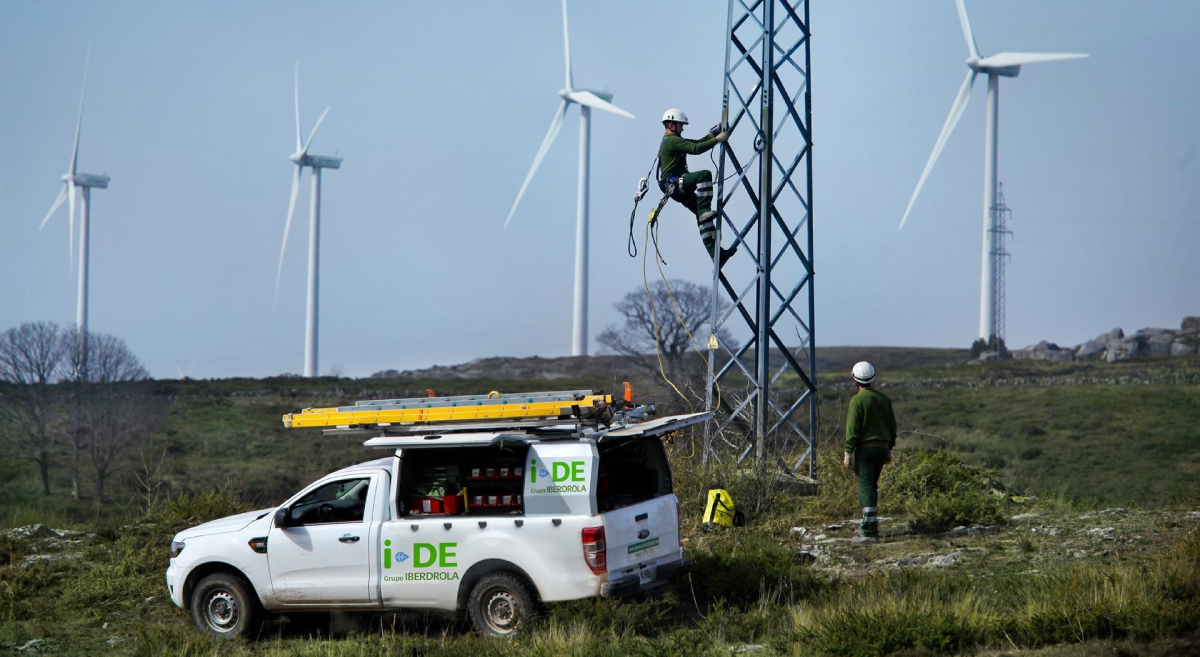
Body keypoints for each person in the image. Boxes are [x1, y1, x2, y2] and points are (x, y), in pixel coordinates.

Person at [658, 108, 736, 266]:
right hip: (676, 183)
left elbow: (694, 143)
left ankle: (717, 255)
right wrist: (718, 139)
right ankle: (705, 210)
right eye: (680, 125)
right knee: (704, 175)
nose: (682, 128)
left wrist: (711, 135)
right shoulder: (672, 141)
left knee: (702, 218)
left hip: (675, 188)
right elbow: (696, 149)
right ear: (672, 125)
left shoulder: (672, 140)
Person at [843, 361, 897, 545]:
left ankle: (869, 532)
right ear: (873, 377)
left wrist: (848, 452)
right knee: (872, 486)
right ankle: (869, 525)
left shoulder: (857, 401)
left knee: (864, 486)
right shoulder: (884, 399)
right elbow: (892, 426)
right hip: (882, 448)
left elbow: (852, 429)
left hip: (865, 450)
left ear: (854, 379)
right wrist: (890, 447)